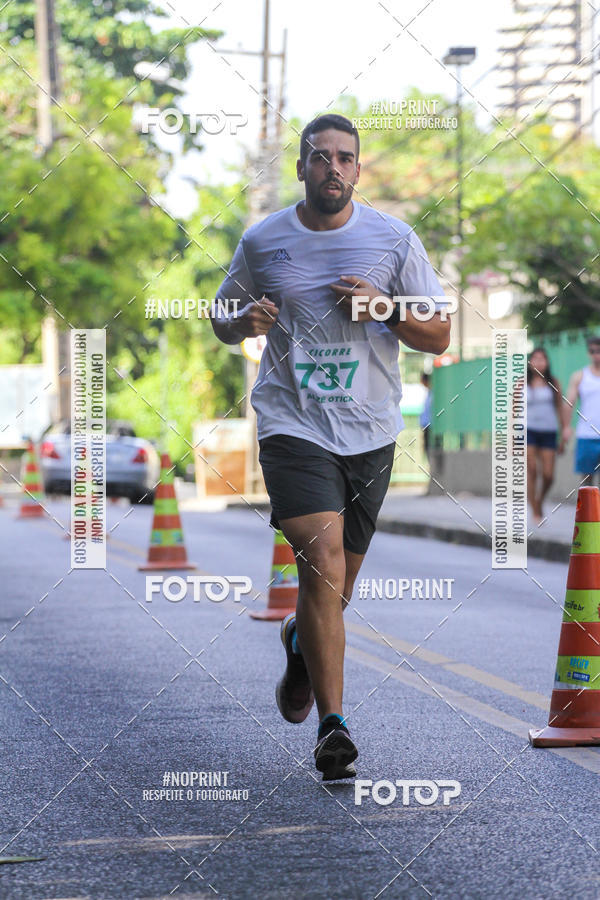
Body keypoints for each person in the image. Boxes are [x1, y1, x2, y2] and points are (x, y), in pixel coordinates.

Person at [211, 113, 451, 780]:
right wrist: (243, 321)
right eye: (321, 158)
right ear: (301, 168)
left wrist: (386, 309)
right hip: (293, 423)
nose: (334, 169)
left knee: (335, 589)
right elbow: (221, 316)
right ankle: (333, 728)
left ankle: (297, 642)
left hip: (370, 432)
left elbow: (440, 335)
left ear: (358, 169)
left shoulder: (393, 239)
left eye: (346, 158)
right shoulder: (263, 241)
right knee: (319, 560)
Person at [525, 347, 564, 525]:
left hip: (549, 431)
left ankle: (539, 500)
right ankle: (535, 511)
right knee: (531, 470)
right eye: (535, 358)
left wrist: (564, 432)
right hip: (529, 431)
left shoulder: (553, 383)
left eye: (542, 359)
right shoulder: (522, 383)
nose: (539, 362)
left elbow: (560, 408)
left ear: (547, 362)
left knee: (548, 475)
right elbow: (513, 411)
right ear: (530, 362)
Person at [564, 336, 600, 486]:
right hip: (586, 435)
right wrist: (566, 426)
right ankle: (586, 510)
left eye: (599, 351)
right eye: (593, 351)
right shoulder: (579, 376)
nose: (596, 354)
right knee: (587, 481)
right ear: (588, 353)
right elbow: (568, 402)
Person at [420, 372, 432, 459]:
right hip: (426, 426)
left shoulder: (433, 393)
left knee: (430, 448)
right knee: (427, 449)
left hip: (430, 426)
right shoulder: (429, 393)